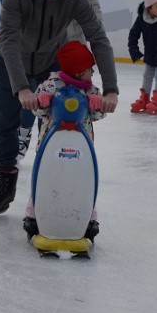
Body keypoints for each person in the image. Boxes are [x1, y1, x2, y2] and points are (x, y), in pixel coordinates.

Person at [0, 0, 119, 218]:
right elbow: (9, 38)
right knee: (6, 121)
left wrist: (111, 89)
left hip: (49, 62)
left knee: (61, 118)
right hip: (10, 60)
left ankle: (59, 180)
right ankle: (6, 181)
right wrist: (21, 88)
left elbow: (98, 38)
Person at [16, 0, 104, 163]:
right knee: (38, 93)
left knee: (68, 97)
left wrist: (93, 36)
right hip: (42, 44)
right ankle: (24, 134)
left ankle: (68, 144)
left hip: (71, 47)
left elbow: (94, 7)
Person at [22, 41, 106, 242]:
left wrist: (98, 106)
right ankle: (33, 214)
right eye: (88, 69)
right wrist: (41, 103)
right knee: (44, 179)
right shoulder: (50, 86)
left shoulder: (91, 90)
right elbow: (36, 111)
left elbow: (97, 115)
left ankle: (88, 217)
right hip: (49, 145)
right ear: (77, 72)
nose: (93, 71)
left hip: (81, 147)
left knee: (83, 180)